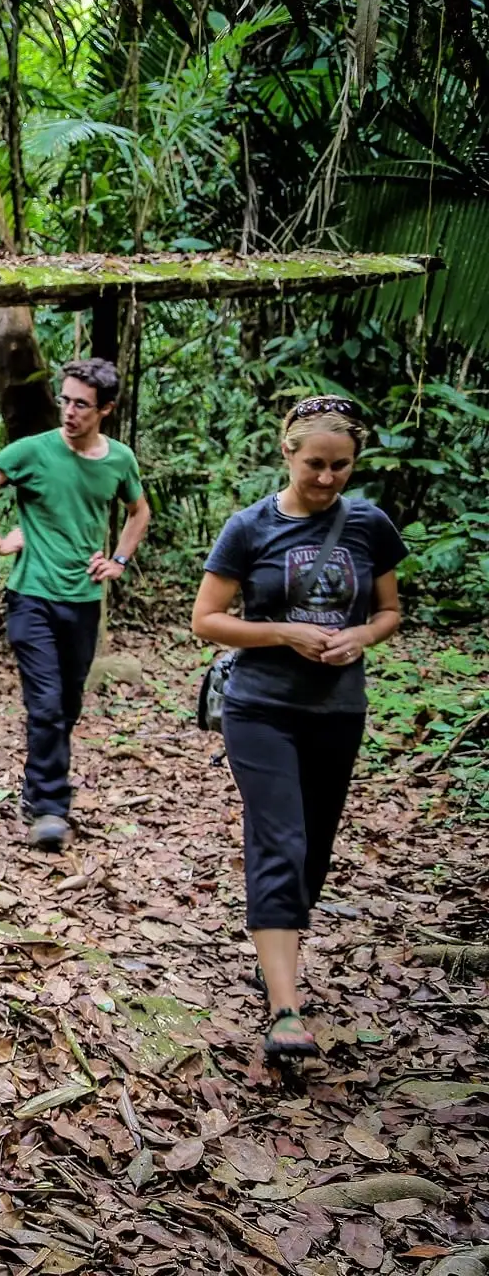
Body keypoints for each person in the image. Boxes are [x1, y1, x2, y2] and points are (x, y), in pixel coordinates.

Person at [191, 396, 404, 1063]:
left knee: (312, 850)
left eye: (342, 466)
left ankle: (274, 948)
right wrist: (284, 630)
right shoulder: (249, 528)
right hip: (260, 707)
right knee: (279, 841)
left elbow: (390, 609)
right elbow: (207, 619)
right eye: (316, 464)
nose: (328, 478)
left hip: (338, 709)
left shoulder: (370, 525)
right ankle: (285, 1009)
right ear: (288, 452)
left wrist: (361, 635)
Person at [0, 358, 151, 850]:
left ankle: (35, 788)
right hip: (31, 597)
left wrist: (120, 558)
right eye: (65, 400)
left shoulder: (119, 460)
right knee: (47, 706)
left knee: (68, 704)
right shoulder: (32, 452)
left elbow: (138, 510)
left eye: (82, 404)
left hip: (82, 602)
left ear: (105, 409)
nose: (70, 411)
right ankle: (49, 807)